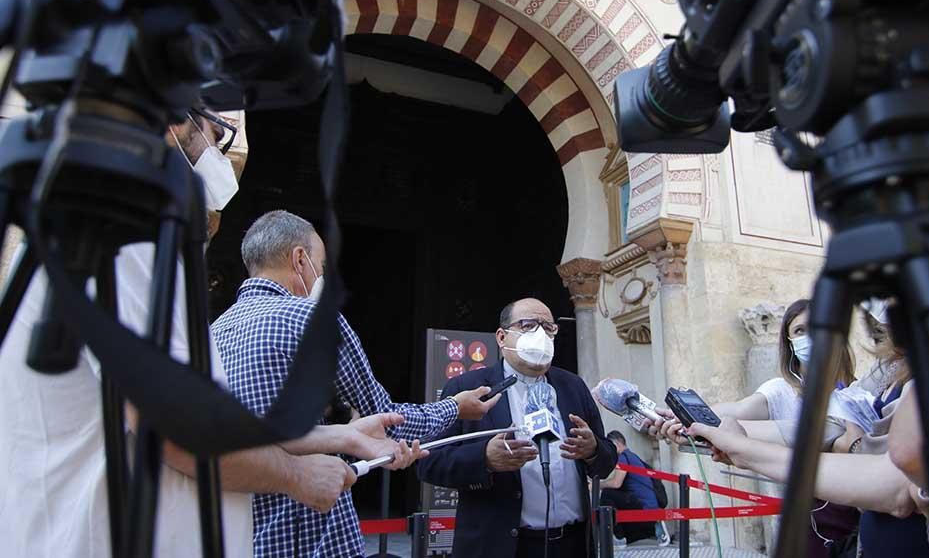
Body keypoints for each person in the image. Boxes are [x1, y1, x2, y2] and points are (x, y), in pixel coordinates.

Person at [0, 109, 409, 557]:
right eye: (217, 137)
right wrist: (300, 476)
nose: (220, 155)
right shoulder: (125, 235)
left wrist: (340, 437)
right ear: (176, 121)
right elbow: (180, 431)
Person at [212, 209, 500, 558]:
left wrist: (347, 434)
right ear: (299, 259)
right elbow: (387, 417)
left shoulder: (213, 329)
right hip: (307, 532)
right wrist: (455, 406)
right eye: (321, 265)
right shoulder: (310, 319)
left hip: (240, 535)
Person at [650, 299, 860, 556]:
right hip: (809, 520)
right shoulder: (782, 391)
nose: (809, 337)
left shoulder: (860, 394)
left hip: (861, 517)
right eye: (799, 331)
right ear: (790, 344)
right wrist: (684, 419)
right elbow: (735, 411)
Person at [416, 298, 618, 558]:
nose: (540, 335)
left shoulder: (573, 386)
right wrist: (485, 458)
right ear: (502, 337)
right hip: (501, 546)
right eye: (528, 325)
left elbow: (607, 460)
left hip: (573, 543)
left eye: (548, 327)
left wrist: (592, 450)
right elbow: (428, 463)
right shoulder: (467, 388)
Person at [600, 431, 669, 546]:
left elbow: (616, 483)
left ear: (616, 444)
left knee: (607, 493)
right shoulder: (633, 457)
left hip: (643, 510)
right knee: (617, 495)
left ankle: (616, 536)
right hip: (650, 512)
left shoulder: (623, 457)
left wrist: (596, 485)